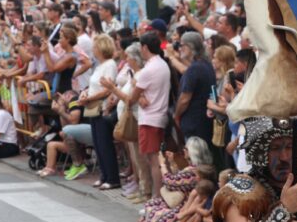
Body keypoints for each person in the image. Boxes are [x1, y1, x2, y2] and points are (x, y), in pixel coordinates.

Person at [103, 32, 170, 201]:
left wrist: (113, 88)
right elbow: (138, 96)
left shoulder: (148, 70)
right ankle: (154, 195)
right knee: (152, 159)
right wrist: (139, 96)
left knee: (152, 160)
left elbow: (131, 99)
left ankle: (155, 197)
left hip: (149, 118)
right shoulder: (162, 64)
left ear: (145, 48)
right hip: (157, 116)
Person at [80, 34, 120, 189]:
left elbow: (107, 89)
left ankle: (112, 177)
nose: (93, 50)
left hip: (102, 107)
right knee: (97, 143)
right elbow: (93, 85)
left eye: (95, 47)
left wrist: (89, 98)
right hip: (92, 106)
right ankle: (104, 175)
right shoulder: (98, 65)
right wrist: (85, 93)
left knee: (105, 144)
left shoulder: (110, 64)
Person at [175, 32, 215, 146]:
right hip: (203, 121)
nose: (180, 48)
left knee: (197, 160)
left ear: (190, 46)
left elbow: (184, 99)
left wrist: (176, 115)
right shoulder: (206, 64)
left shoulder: (195, 68)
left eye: (182, 45)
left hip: (194, 124)